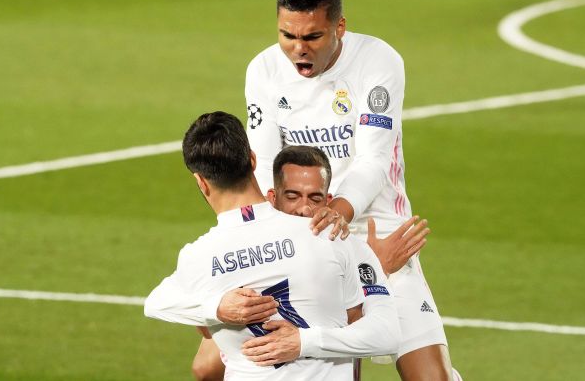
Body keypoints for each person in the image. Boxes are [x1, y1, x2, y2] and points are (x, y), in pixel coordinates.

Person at [245, 0, 456, 380]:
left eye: (311, 37)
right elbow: (269, 177)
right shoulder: (264, 71)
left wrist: (340, 213)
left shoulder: (377, 61)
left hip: (376, 231)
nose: (297, 50)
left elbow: (374, 160)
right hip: (304, 238)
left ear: (339, 26)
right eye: (287, 36)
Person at [144, 112, 401, 380]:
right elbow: (387, 334)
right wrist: (305, 342)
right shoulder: (332, 235)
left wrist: (215, 307)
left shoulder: (197, 259)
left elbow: (155, 303)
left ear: (201, 182)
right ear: (253, 161)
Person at [192, 145, 430, 380]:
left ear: (328, 202)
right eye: (292, 196)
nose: (304, 209)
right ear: (273, 199)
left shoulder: (342, 247)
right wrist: (216, 308)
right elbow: (205, 353)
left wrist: (373, 269)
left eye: (314, 198)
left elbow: (378, 332)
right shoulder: (246, 246)